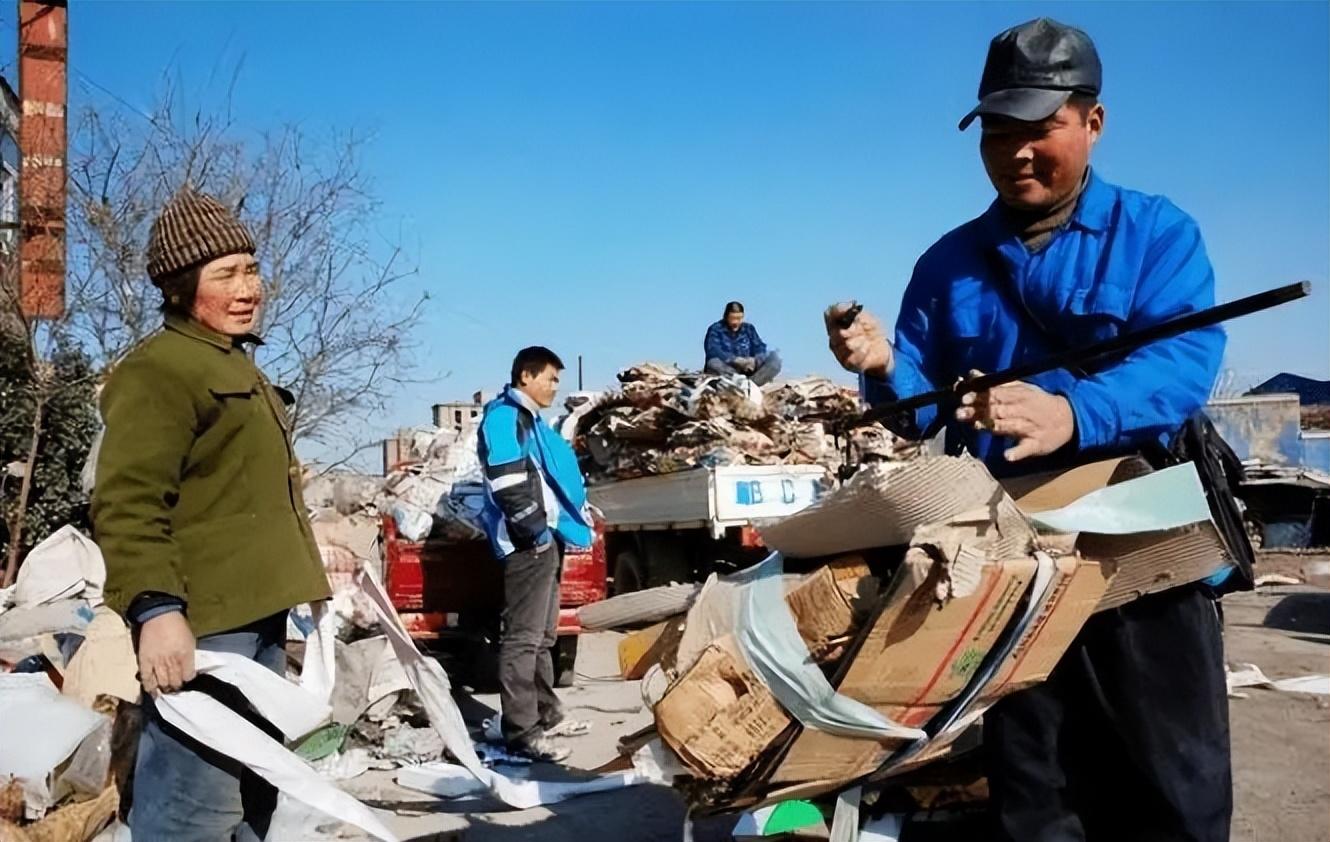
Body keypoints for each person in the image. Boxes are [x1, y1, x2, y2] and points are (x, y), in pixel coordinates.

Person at [825, 18, 1231, 842]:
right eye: (998, 134)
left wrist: (1075, 412)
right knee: (1034, 787)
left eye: (1039, 129)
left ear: (1092, 122)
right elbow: (922, 406)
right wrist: (879, 368)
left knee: (1172, 786)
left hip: (1141, 544)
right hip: (1015, 559)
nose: (1017, 153)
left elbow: (1187, 359)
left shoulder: (1157, 235)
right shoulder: (946, 265)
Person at [92, 189, 332, 840]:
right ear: (179, 288)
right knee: (191, 813)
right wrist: (156, 609)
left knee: (254, 797)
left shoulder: (236, 367)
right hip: (204, 629)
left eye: (250, 269)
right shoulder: (160, 370)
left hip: (257, 622)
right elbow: (127, 502)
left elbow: (243, 496)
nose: (247, 287)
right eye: (224, 274)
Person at [478, 346, 595, 762]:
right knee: (523, 639)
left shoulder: (532, 420)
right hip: (527, 542)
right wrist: (534, 534)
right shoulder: (504, 418)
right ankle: (521, 732)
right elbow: (507, 482)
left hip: (547, 537)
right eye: (549, 378)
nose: (553, 387)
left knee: (544, 636)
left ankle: (546, 712)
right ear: (525, 376)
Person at [704, 301, 783, 385]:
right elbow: (713, 350)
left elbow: (759, 347)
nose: (736, 322)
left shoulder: (749, 329)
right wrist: (735, 360)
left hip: (750, 370)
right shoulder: (715, 329)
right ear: (726, 316)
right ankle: (739, 383)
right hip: (728, 369)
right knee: (713, 363)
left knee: (775, 359)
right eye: (733, 318)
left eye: (739, 318)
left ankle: (751, 384)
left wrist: (754, 360)